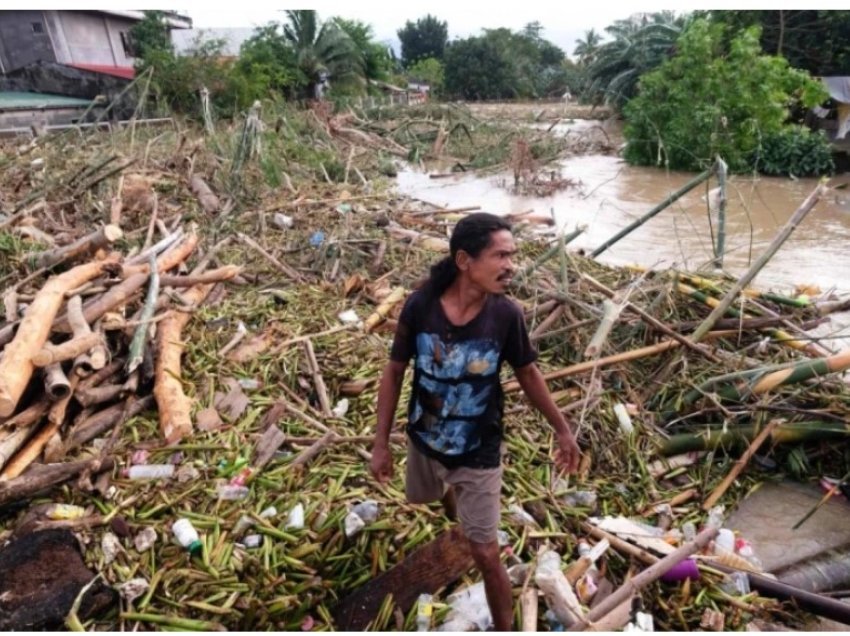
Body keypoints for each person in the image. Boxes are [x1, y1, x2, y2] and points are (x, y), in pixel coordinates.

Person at [370, 212, 581, 631]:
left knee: (485, 552)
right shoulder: (421, 306)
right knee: (429, 498)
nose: (510, 266)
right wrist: (381, 443)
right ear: (465, 261)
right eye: (500, 256)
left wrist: (562, 428)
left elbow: (528, 374)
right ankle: (455, 504)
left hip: (478, 447)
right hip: (424, 436)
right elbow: (394, 371)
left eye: (512, 255)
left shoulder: (505, 316)